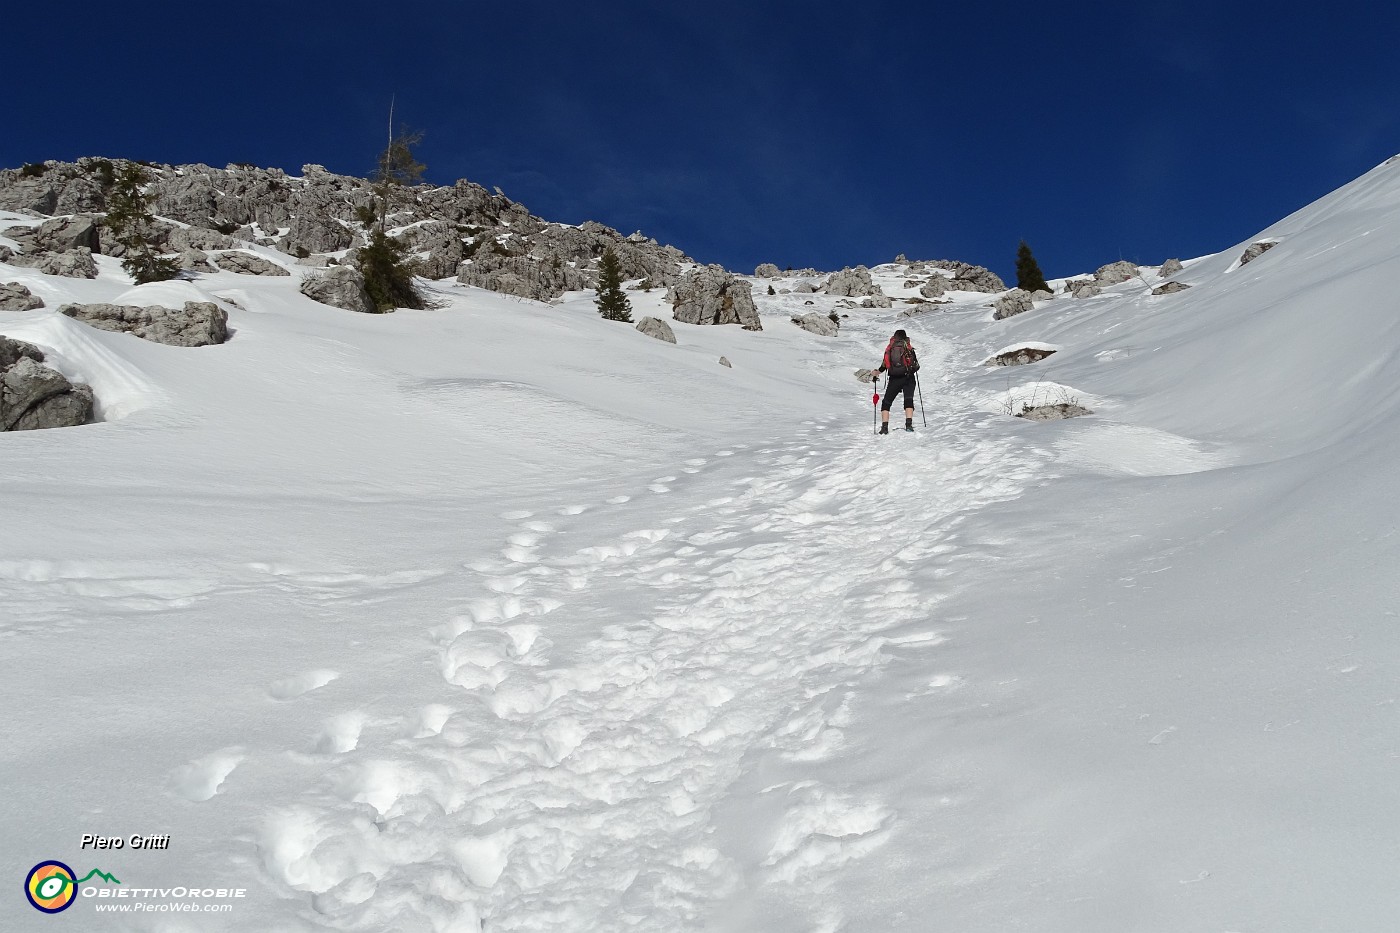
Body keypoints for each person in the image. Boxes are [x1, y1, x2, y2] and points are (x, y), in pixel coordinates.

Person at [873, 329, 919, 434]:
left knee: (886, 402)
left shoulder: (891, 348)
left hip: (894, 378)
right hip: (908, 377)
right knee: (908, 400)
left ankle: (884, 428)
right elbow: (915, 365)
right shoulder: (908, 347)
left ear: (894, 336)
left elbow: (885, 364)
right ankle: (908, 425)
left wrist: (877, 372)